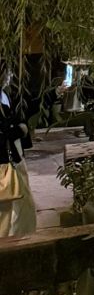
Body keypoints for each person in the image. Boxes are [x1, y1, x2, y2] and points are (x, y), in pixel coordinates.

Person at [0, 77, 35, 238]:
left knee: (23, 205)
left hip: (14, 158)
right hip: (5, 163)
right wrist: (20, 130)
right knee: (5, 210)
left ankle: (23, 240)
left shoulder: (6, 95)